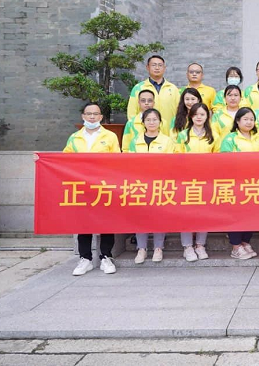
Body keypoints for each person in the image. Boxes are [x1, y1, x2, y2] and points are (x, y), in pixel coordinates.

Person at [64, 103, 120, 276]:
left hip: (104, 185)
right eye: (89, 114)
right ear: (83, 116)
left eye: (95, 114)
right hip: (82, 186)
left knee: (106, 222)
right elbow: (64, 159)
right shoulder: (75, 137)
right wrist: (41, 159)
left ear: (101, 117)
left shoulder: (110, 136)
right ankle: (85, 258)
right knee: (83, 222)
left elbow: (118, 160)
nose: (92, 117)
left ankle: (106, 256)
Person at [127, 108, 175, 264]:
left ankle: (158, 248)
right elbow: (129, 163)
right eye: (148, 120)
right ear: (143, 123)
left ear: (160, 122)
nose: (152, 122)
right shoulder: (135, 141)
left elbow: (171, 163)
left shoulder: (167, 141)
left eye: (155, 119)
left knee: (159, 216)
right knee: (140, 216)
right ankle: (141, 248)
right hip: (140, 184)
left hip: (160, 184)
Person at [219, 107, 259, 259]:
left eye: (251, 119)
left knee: (251, 214)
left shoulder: (258, 138)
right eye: (245, 119)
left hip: (254, 183)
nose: (249, 122)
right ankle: (236, 247)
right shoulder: (230, 139)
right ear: (237, 121)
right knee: (236, 215)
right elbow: (224, 162)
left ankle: (245, 242)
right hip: (236, 183)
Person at [176, 103, 214, 261]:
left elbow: (218, 158)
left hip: (206, 181)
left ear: (207, 117)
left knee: (203, 214)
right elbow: (177, 157)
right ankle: (187, 246)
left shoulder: (212, 136)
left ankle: (200, 244)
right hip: (187, 181)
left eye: (202, 114)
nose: (199, 117)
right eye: (196, 114)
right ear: (190, 116)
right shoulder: (183, 135)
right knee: (186, 214)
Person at [126, 55, 180, 134]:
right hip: (145, 134)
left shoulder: (173, 88)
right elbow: (132, 113)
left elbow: (179, 112)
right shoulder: (139, 88)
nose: (157, 68)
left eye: (160, 65)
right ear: (147, 67)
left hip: (168, 133)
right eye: (154, 65)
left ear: (164, 68)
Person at [211, 85, 243, 152]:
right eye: (229, 95)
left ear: (241, 97)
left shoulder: (245, 114)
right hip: (223, 152)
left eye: (236, 95)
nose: (233, 98)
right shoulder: (217, 115)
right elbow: (214, 134)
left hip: (243, 152)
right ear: (224, 98)